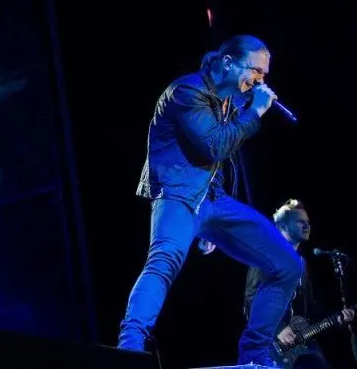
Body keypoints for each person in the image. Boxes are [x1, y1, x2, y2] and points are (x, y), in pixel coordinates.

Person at [117, 34, 305, 366]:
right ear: (229, 62)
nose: (260, 80)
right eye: (257, 72)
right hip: (179, 196)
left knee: (288, 264)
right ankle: (129, 348)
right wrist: (256, 111)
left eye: (264, 75)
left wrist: (212, 228)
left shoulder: (229, 98)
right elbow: (214, 146)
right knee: (163, 262)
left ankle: (256, 355)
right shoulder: (186, 92)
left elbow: (222, 159)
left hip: (216, 200)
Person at [244, 200, 354, 369]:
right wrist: (278, 329)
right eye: (300, 221)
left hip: (301, 344)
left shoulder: (301, 263)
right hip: (270, 345)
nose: (306, 226)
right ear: (283, 226)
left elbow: (309, 308)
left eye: (308, 222)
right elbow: (251, 300)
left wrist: (336, 318)